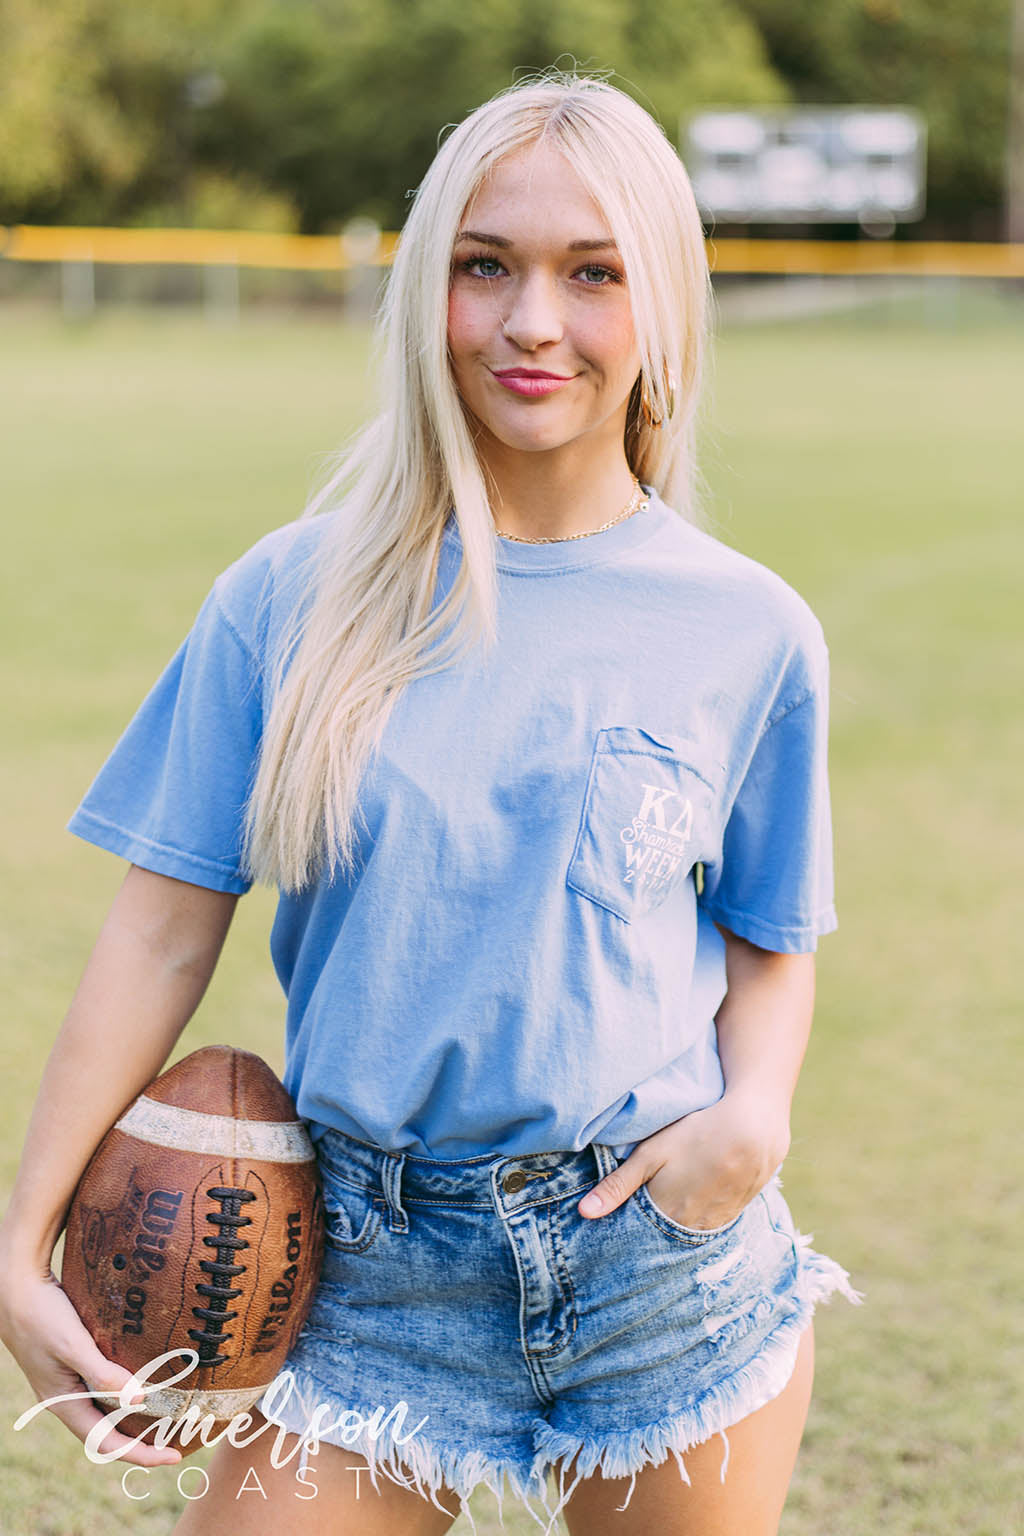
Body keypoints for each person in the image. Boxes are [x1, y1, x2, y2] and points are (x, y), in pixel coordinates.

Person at [0, 69, 859, 1536]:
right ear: (426, 294)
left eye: (594, 274)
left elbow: (771, 931)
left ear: (664, 311)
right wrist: (20, 1240)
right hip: (360, 1275)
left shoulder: (750, 630)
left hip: (662, 1265)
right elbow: (159, 933)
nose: (535, 320)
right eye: (486, 266)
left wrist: (754, 1120)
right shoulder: (293, 597)